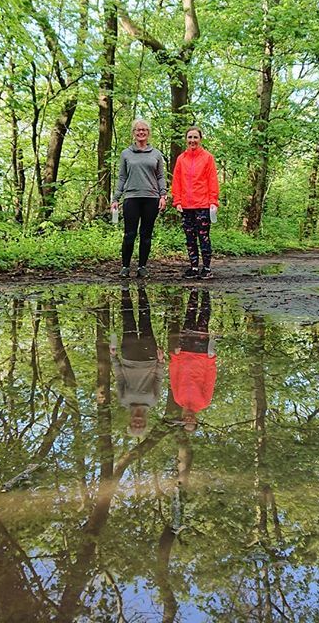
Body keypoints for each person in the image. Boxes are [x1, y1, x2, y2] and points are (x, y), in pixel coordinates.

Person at [111, 119, 167, 279]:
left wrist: (163, 195)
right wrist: (116, 198)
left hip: (151, 198)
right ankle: (125, 267)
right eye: (138, 130)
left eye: (144, 130)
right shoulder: (126, 153)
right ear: (133, 133)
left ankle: (142, 267)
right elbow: (122, 177)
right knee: (129, 234)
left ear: (148, 133)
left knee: (146, 234)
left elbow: (160, 176)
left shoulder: (156, 154)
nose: (141, 132)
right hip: (131, 198)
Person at [111, 286, 164, 437]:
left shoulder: (124, 400)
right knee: (145, 322)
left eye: (134, 424)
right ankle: (142, 290)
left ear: (130, 421)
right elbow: (158, 379)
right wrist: (160, 362)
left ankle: (125, 290)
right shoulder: (153, 401)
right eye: (140, 425)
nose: (137, 422)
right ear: (145, 422)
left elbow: (120, 377)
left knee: (128, 321)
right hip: (149, 358)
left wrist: (114, 357)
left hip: (129, 357)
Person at [171, 126, 219, 279]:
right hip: (186, 206)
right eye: (190, 137)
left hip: (203, 205)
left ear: (200, 139)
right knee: (190, 238)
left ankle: (206, 268)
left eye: (195, 137)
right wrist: (177, 200)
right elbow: (176, 181)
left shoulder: (207, 157)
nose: (192, 140)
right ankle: (193, 267)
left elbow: (212, 180)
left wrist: (213, 201)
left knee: (203, 237)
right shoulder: (181, 159)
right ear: (186, 140)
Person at [169, 289, 216, 431]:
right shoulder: (204, 402)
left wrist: (176, 357)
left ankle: (194, 290)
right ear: (196, 420)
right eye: (192, 422)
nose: (188, 419)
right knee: (203, 320)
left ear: (182, 419)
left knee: (189, 318)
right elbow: (210, 379)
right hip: (201, 355)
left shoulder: (178, 399)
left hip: (184, 353)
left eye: (185, 422)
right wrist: (211, 359)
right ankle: (206, 292)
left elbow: (174, 375)